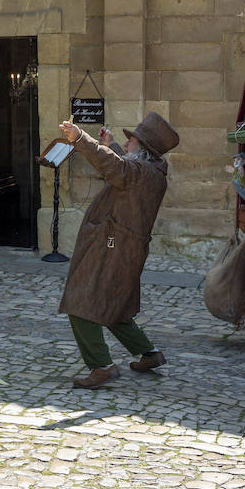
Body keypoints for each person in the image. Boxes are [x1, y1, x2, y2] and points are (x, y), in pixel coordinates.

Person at [56, 112, 179, 389]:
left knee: (81, 302)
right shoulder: (153, 171)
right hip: (126, 247)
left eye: (132, 140)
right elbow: (124, 168)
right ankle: (149, 354)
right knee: (115, 304)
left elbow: (117, 168)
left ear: (143, 147)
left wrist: (80, 138)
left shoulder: (138, 173)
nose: (128, 144)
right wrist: (111, 145)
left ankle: (102, 366)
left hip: (111, 245)